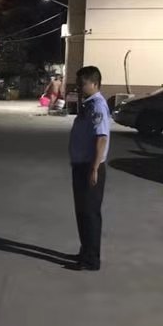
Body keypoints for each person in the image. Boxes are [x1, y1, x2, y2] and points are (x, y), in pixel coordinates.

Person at [68, 66, 110, 272]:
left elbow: (101, 138)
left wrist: (94, 168)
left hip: (90, 166)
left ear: (94, 84)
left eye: (82, 84)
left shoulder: (97, 106)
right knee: (82, 212)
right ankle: (85, 251)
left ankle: (92, 259)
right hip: (81, 165)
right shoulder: (88, 104)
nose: (79, 87)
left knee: (90, 213)